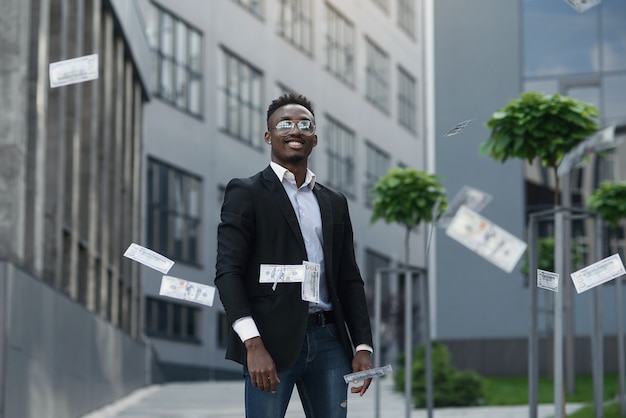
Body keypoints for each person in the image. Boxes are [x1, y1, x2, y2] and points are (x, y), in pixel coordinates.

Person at [215, 93, 374, 418]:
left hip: (329, 339)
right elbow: (228, 272)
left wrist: (362, 346)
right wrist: (252, 344)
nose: (295, 130)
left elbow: (349, 278)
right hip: (269, 341)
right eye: (284, 124)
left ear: (314, 138)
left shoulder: (334, 202)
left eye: (305, 125)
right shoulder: (246, 193)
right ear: (268, 135)